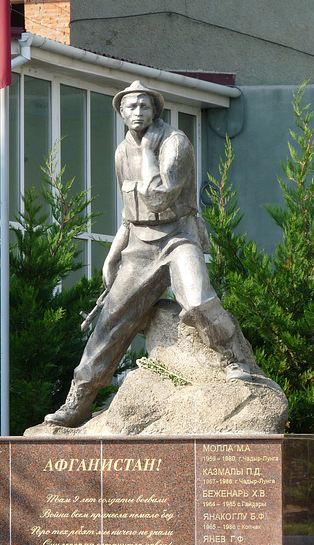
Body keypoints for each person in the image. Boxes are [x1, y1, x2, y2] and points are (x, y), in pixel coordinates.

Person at [45, 80, 250, 428]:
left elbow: (158, 197)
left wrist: (149, 152)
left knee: (198, 301)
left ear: (156, 110)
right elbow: (130, 211)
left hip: (178, 236)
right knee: (110, 321)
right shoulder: (121, 151)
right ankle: (80, 397)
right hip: (139, 244)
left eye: (144, 106)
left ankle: (234, 359)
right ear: (121, 112)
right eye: (130, 107)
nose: (137, 112)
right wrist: (114, 253)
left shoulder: (175, 142)